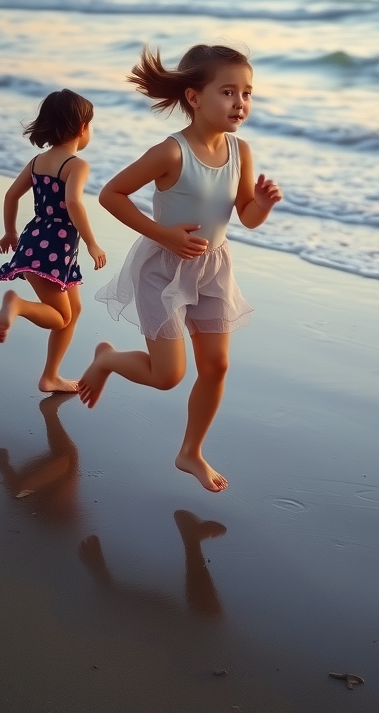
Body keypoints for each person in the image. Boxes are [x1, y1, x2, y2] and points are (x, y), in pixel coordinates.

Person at [77, 44, 282, 492]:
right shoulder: (171, 153)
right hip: (162, 269)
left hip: (213, 268)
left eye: (247, 93)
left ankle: (191, 451)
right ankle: (107, 359)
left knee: (217, 366)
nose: (240, 103)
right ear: (194, 97)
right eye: (228, 92)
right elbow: (111, 194)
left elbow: (245, 214)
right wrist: (163, 234)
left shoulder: (240, 151)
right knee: (168, 375)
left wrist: (262, 205)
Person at [0, 89, 107, 393]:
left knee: (73, 312)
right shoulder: (76, 165)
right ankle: (16, 305)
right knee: (60, 317)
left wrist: (10, 231)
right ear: (81, 128)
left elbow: (11, 195)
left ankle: (50, 376)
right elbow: (74, 204)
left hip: (36, 242)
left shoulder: (37, 162)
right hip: (53, 252)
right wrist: (93, 243)